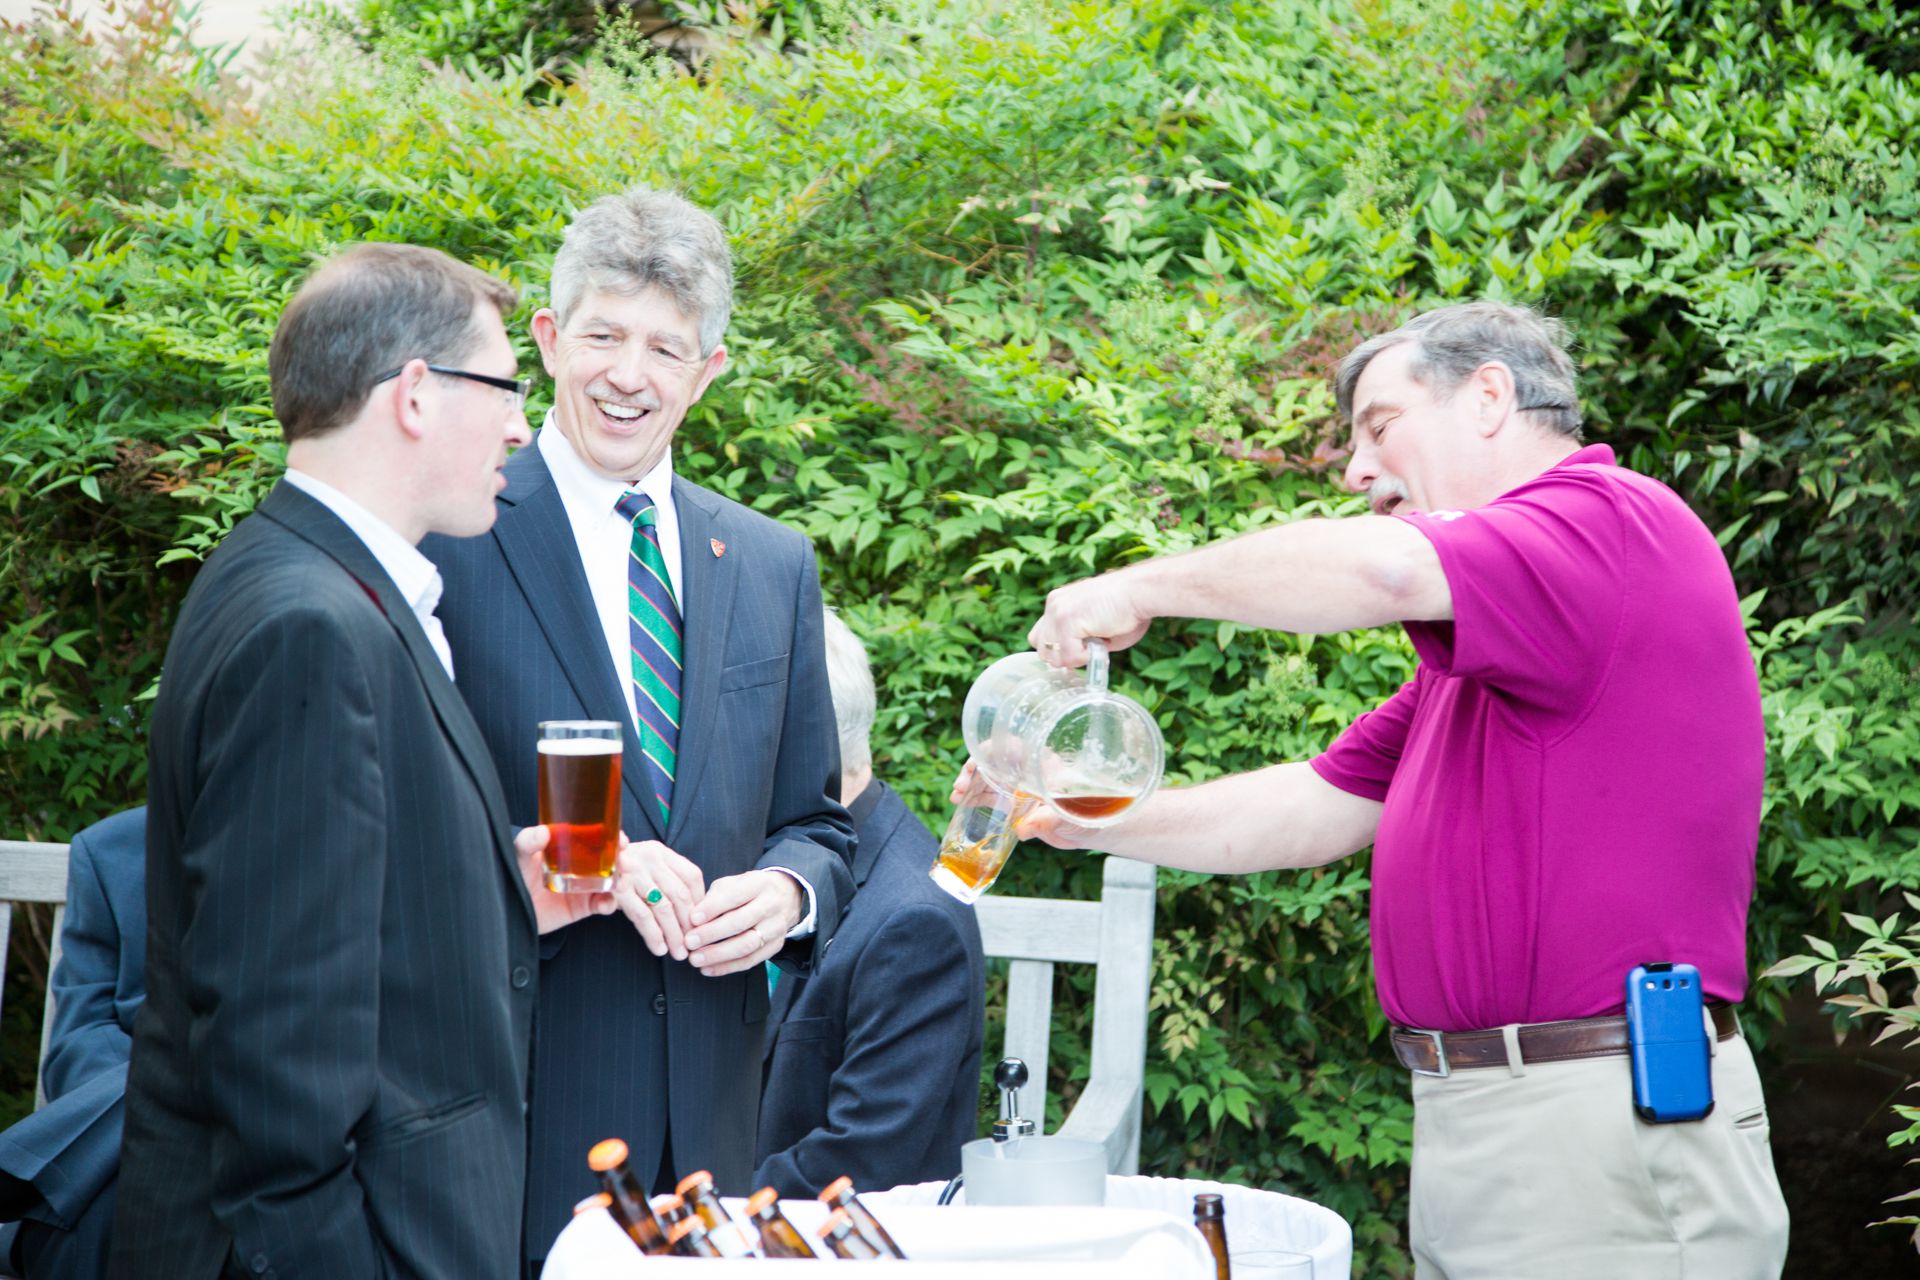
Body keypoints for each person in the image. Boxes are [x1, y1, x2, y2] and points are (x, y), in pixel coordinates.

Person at [1010, 301, 1790, 1277]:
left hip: (1599, 1125)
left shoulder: (1609, 525)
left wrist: (1140, 586)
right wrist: (1084, 819)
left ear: (1491, 396)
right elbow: (1309, 806)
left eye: (1381, 426)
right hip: (1491, 1119)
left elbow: (1382, 573)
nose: (1357, 470)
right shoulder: (1482, 662)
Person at [110, 244, 612, 1280]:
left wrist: (494, 895)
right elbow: (275, 1043)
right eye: (508, 387)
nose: (525, 424)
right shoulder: (312, 622)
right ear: (418, 395)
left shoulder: (292, 575)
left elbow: (319, 911)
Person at [422, 186, 855, 1271]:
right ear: (551, 341)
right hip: (508, 1103)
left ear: (707, 371)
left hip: (711, 1129)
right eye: (605, 335)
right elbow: (398, 812)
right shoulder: (449, 535)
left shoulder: (770, 562)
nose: (630, 374)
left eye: (666, 347)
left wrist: (790, 892)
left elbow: (818, 820)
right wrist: (587, 858)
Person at [753, 609, 985, 1196]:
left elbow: (861, 1161)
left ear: (798, 747)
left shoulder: (911, 922)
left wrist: (686, 1200)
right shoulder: (785, 863)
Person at [0, 807, 145, 1279]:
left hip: (279, 1122)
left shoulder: (343, 842)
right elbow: (80, 1039)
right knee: (102, 1206)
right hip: (134, 1154)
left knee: (72, 1219)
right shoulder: (111, 848)